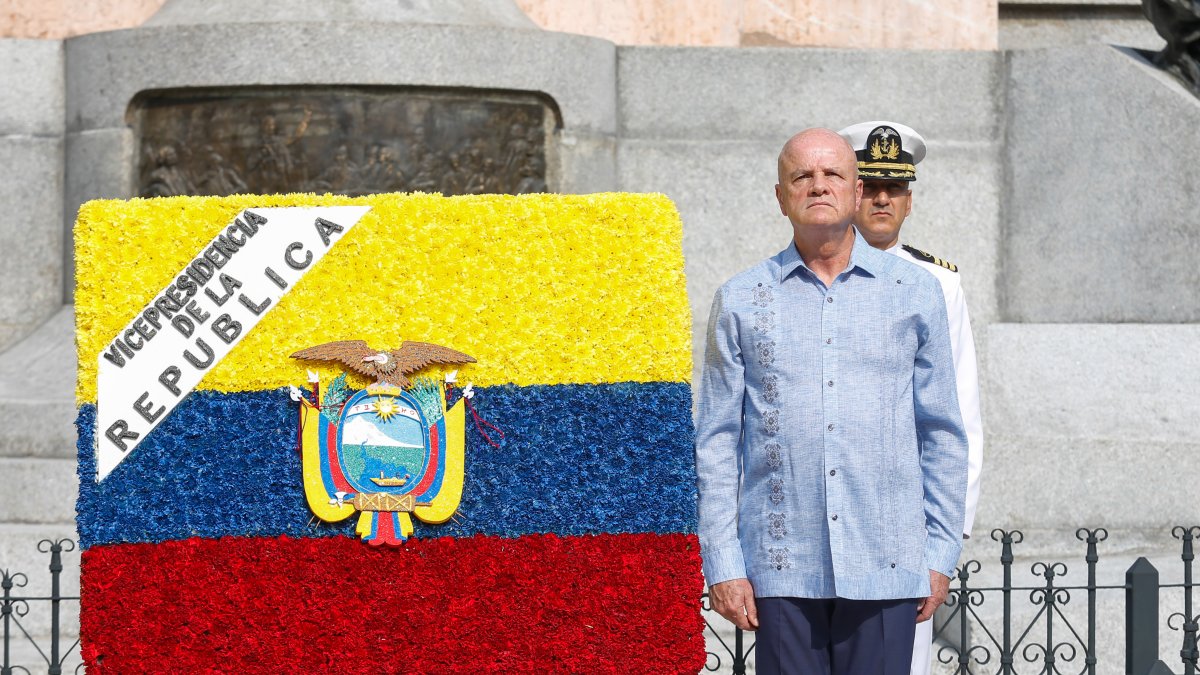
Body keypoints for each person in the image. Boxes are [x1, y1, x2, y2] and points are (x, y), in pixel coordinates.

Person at [695, 128, 968, 674]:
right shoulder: (741, 299)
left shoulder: (914, 291)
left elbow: (941, 433)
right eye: (802, 176)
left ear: (856, 186)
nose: (818, 186)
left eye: (833, 174)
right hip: (781, 566)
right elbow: (718, 440)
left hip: (887, 561)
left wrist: (939, 554)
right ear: (780, 196)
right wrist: (723, 563)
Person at [837, 121, 985, 675]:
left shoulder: (939, 284)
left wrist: (946, 538)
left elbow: (958, 418)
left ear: (909, 199)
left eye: (893, 188)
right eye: (869, 184)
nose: (880, 198)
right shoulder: (807, 271)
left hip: (904, 527)